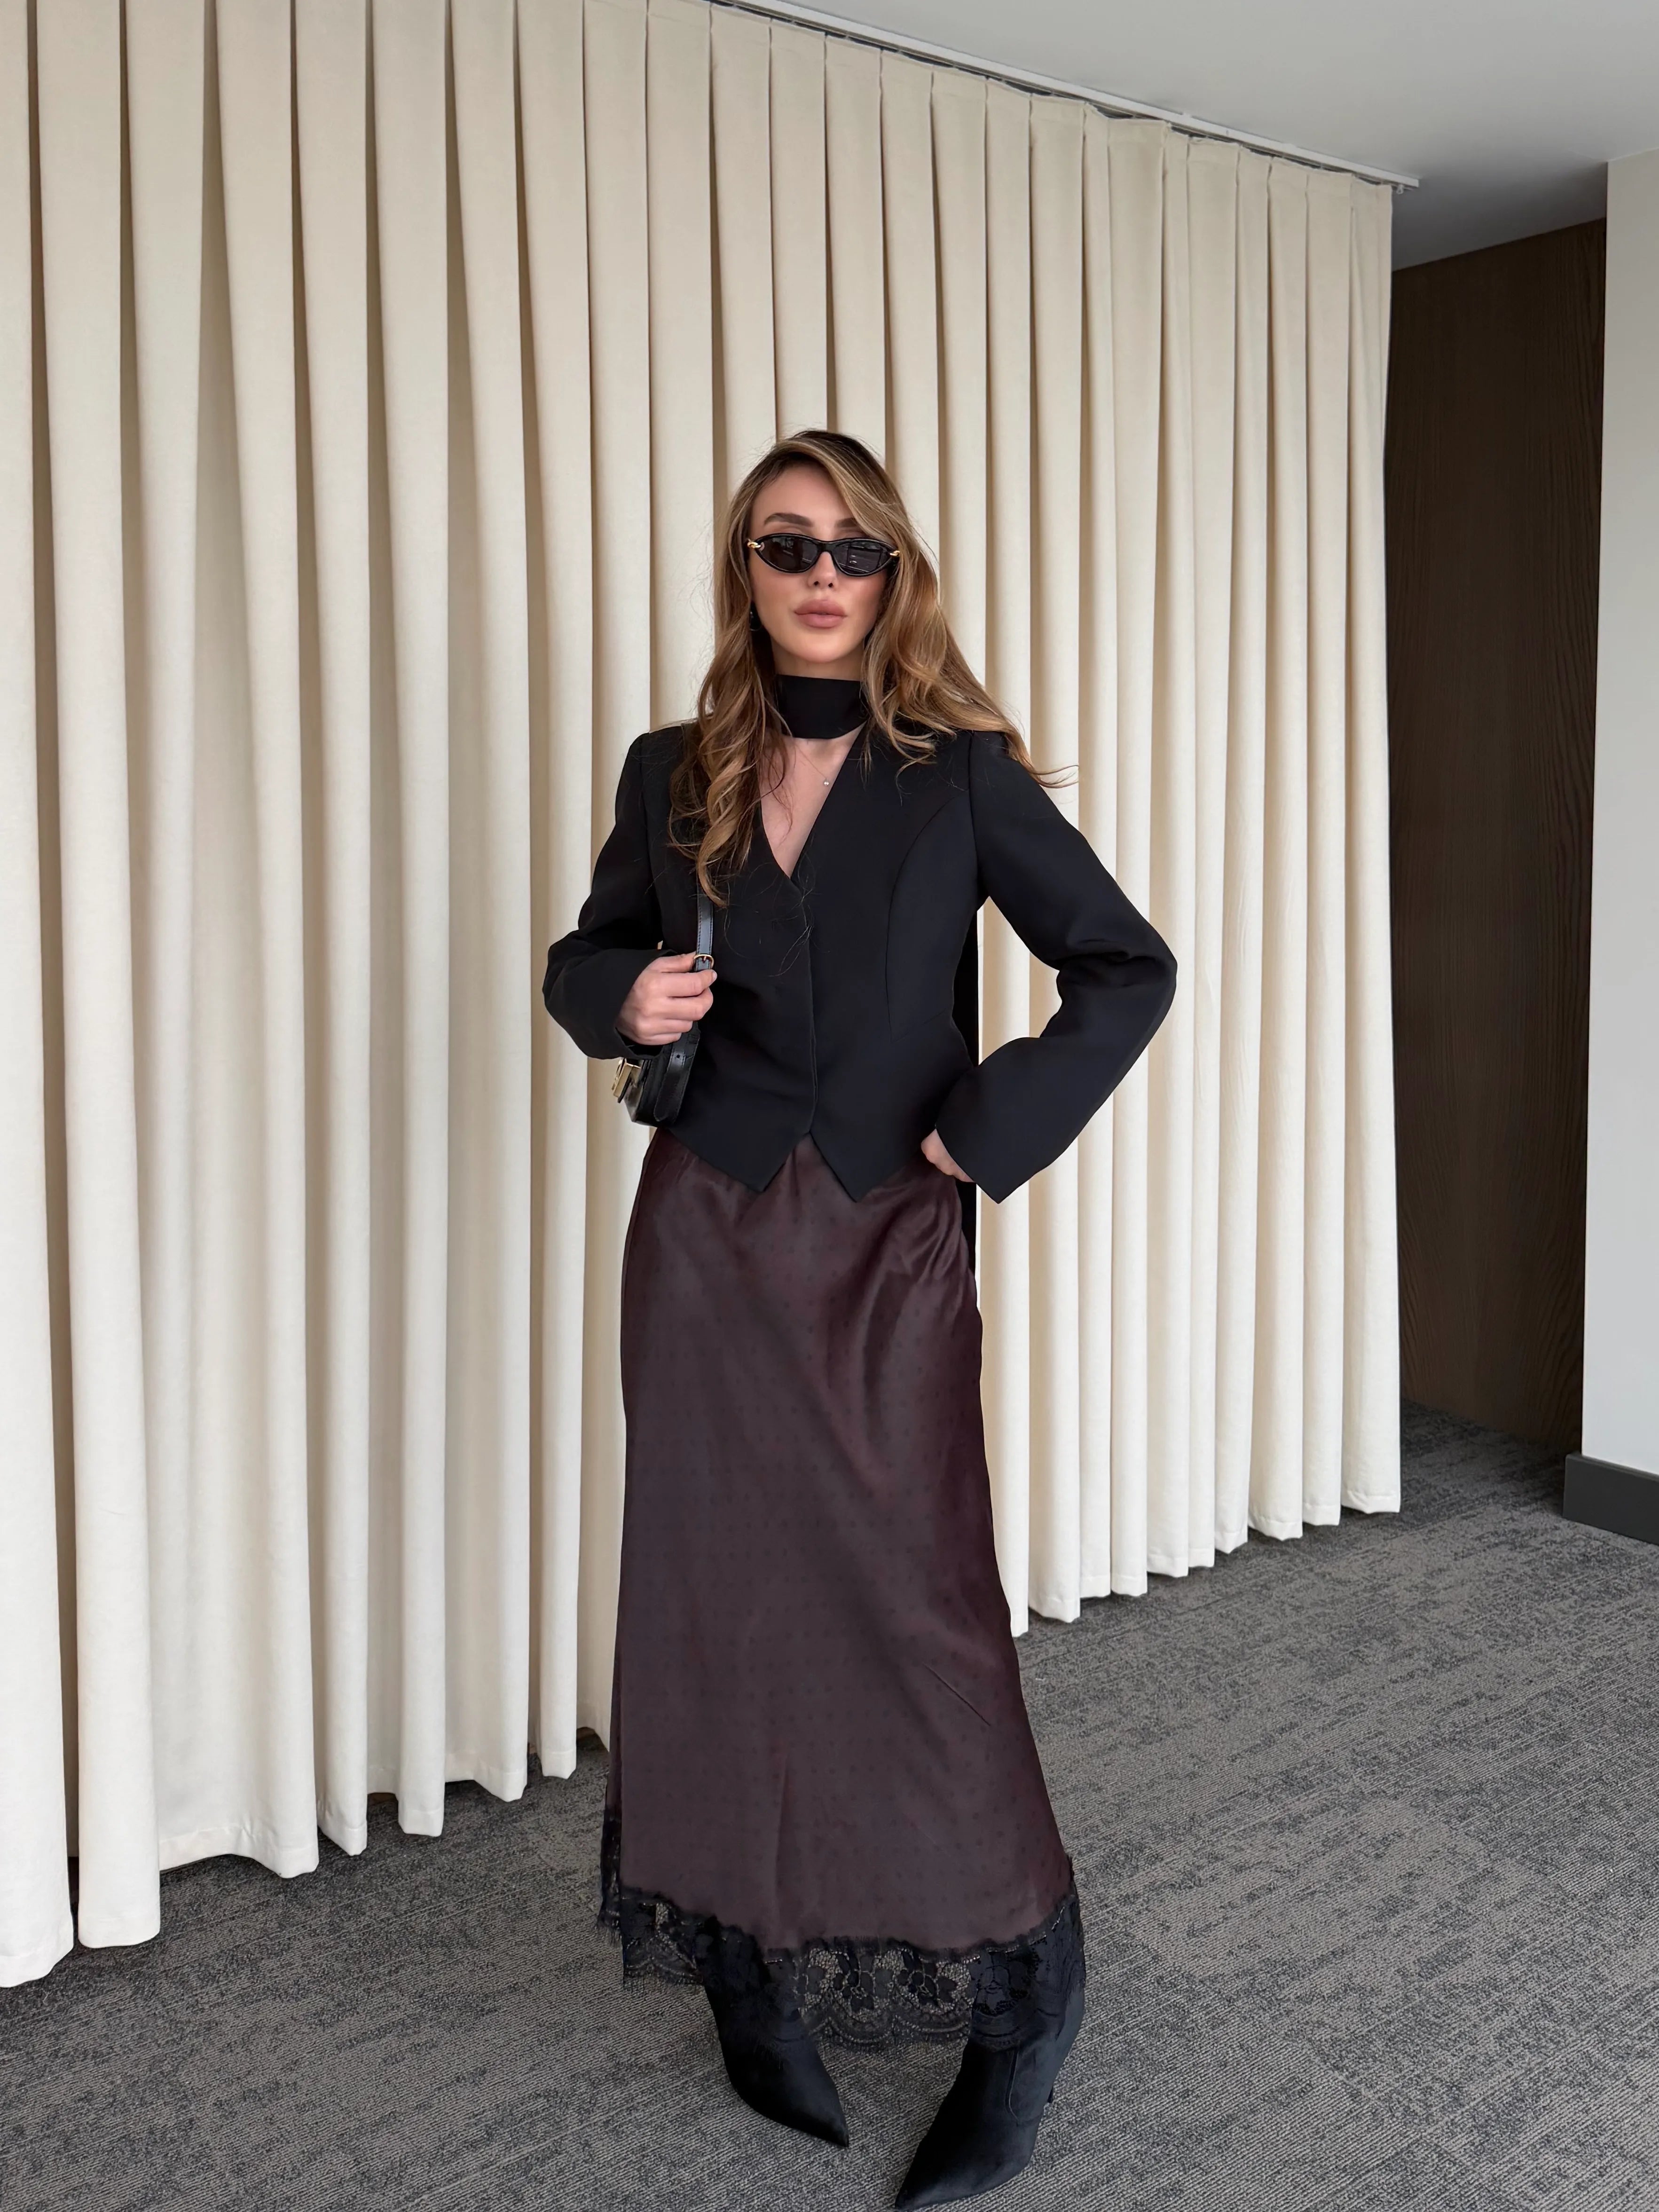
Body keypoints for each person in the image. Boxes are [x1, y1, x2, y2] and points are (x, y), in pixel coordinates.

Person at [542, 429, 1176, 2208]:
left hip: (888, 1231)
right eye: (786, 544)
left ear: (895, 574)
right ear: (742, 568)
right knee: (713, 1605)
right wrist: (621, 995)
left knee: (919, 1611)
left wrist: (983, 1125)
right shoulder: (672, 771)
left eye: (853, 549)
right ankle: (747, 1964)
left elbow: (1126, 964)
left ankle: (1027, 1998)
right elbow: (583, 958)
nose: (821, 576)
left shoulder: (956, 775)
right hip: (705, 1241)